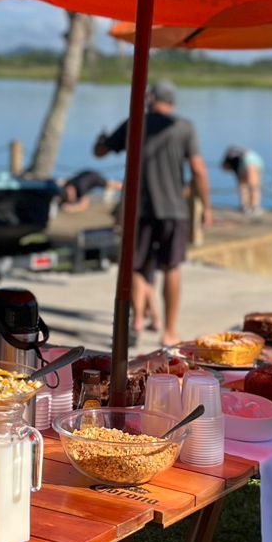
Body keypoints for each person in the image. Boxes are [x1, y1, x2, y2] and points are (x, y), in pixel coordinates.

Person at [95, 80, 212, 346]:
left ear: (150, 99)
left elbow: (100, 152)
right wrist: (206, 206)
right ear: (172, 102)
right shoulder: (184, 127)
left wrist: (101, 139)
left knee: (135, 266)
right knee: (172, 267)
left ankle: (137, 321)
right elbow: (199, 169)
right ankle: (169, 331)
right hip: (174, 210)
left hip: (138, 209)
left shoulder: (134, 123)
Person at [222, 145, 265, 215]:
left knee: (246, 186)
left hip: (248, 159)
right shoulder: (235, 154)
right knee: (255, 186)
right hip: (256, 158)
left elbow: (224, 168)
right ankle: (254, 207)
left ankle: (249, 207)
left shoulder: (232, 160)